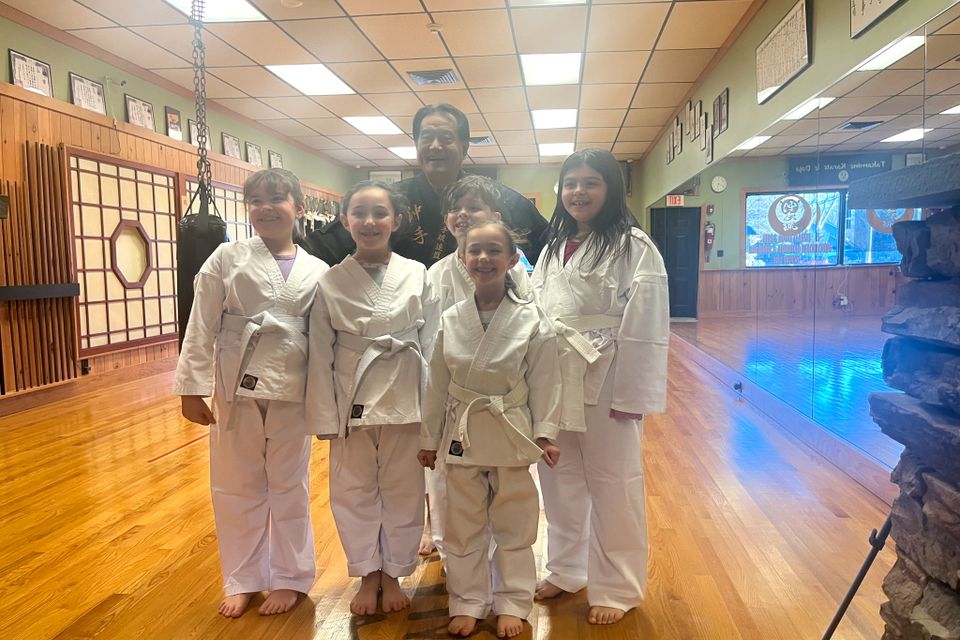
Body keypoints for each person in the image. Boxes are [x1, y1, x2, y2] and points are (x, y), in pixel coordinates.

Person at [173, 168, 328, 618]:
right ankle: (243, 577)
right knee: (235, 483)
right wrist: (191, 388)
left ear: (299, 207)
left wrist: (327, 401)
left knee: (289, 484)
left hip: (293, 385)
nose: (265, 207)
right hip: (234, 378)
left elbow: (326, 338)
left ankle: (290, 576)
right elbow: (201, 322)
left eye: (277, 197)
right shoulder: (225, 257)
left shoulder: (319, 270)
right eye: (256, 199)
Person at [530, 149, 669, 625]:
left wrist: (635, 394)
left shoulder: (634, 245)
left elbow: (647, 324)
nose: (578, 192)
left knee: (614, 483)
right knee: (558, 477)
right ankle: (567, 568)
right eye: (571, 183)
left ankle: (618, 585)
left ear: (611, 189)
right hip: (552, 372)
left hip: (608, 373)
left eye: (591, 183)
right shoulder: (552, 246)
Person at [419, 219, 562, 638]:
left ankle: (513, 601)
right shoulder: (451, 317)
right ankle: (467, 600)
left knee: (515, 524)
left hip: (511, 430)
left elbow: (546, 381)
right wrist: (428, 439)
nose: (483, 258)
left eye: (494, 250)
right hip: (461, 435)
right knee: (462, 525)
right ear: (463, 260)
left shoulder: (531, 318)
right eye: (474, 250)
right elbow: (436, 384)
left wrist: (546, 435)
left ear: (513, 259)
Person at [306, 181, 440, 616]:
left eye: (379, 213)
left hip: (406, 394)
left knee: (404, 488)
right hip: (351, 397)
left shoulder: (417, 273)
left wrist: (433, 418)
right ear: (344, 220)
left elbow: (434, 345)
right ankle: (367, 572)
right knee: (353, 489)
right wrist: (325, 414)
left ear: (396, 221)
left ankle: (394, 572)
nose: (369, 222)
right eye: (359, 213)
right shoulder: (330, 280)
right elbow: (320, 353)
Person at [420, 175, 532, 557]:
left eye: (474, 206)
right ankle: (452, 554)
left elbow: (528, 336)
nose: (463, 214)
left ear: (495, 216)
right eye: (456, 207)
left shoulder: (515, 272)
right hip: (454, 395)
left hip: (502, 398)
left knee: (507, 492)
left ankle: (501, 566)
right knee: (447, 484)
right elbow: (430, 344)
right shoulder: (435, 274)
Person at [300, 103, 548, 268]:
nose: (435, 146)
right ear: (416, 145)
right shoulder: (390, 200)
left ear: (464, 147)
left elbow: (551, 250)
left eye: (446, 138)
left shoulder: (501, 199)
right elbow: (319, 249)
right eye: (427, 138)